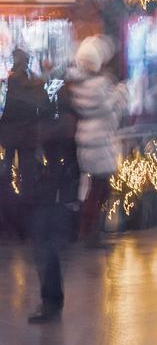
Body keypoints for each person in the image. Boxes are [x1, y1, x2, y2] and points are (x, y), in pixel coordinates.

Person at [27, 62, 80, 324]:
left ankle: (51, 300)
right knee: (45, 240)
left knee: (46, 239)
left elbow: (64, 133)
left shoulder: (57, 105)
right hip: (53, 181)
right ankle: (51, 299)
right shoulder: (58, 101)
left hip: (54, 183)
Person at [68, 35, 127, 246]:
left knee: (94, 187)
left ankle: (89, 230)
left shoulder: (77, 82)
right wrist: (122, 91)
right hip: (100, 141)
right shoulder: (99, 84)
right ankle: (89, 232)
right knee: (100, 189)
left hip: (87, 138)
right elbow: (110, 106)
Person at [0, 48, 51, 239]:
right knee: (27, 178)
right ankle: (27, 225)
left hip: (11, 137)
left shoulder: (10, 83)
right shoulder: (32, 84)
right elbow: (42, 107)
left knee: (6, 178)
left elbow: (6, 112)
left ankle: (11, 223)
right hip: (27, 138)